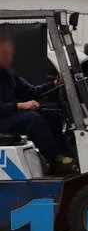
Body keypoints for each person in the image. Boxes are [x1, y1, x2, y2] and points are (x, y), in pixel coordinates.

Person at [0, 34, 63, 169]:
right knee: (32, 119)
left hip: (8, 116)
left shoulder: (9, 75)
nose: (9, 57)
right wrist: (20, 106)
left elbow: (30, 92)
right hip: (2, 119)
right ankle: (55, 159)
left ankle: (64, 153)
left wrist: (54, 84)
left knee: (51, 112)